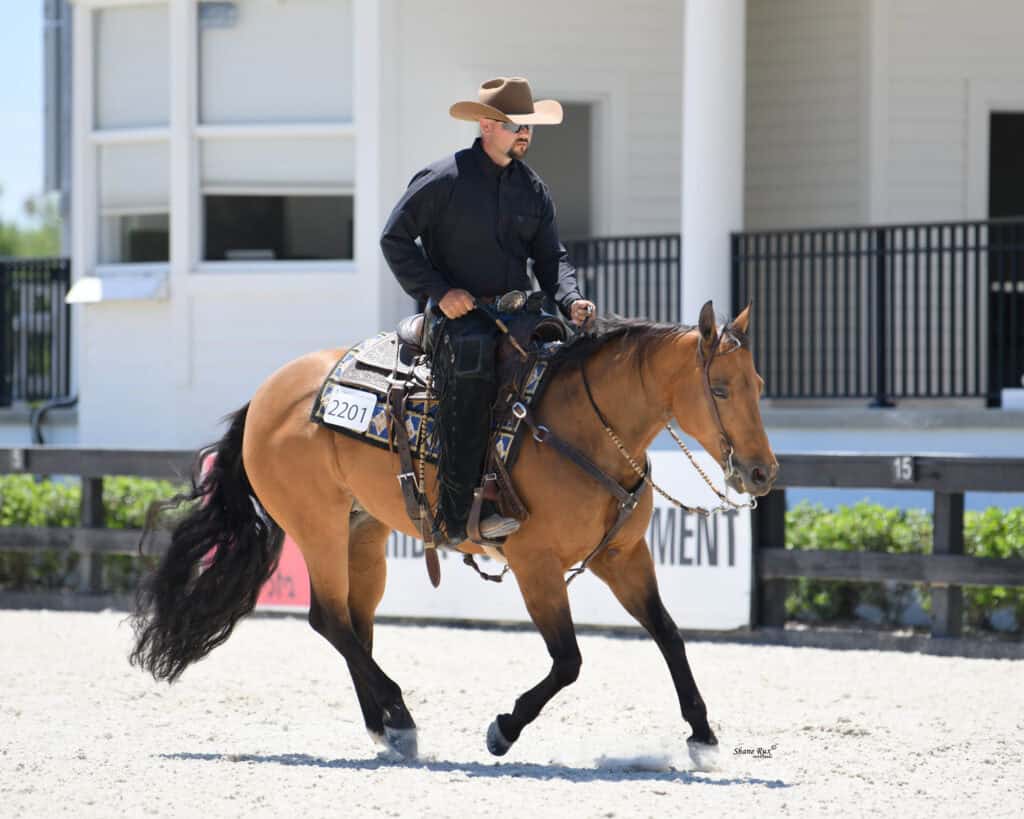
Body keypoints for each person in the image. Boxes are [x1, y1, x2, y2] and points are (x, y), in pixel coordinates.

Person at [380, 76, 596, 547]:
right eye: (517, 125)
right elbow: (393, 239)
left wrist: (571, 298)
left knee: (566, 371)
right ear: (486, 125)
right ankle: (458, 517)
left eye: (529, 127)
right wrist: (439, 291)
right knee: (474, 373)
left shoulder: (533, 188)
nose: (525, 135)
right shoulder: (443, 179)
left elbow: (550, 258)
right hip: (459, 320)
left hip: (520, 314)